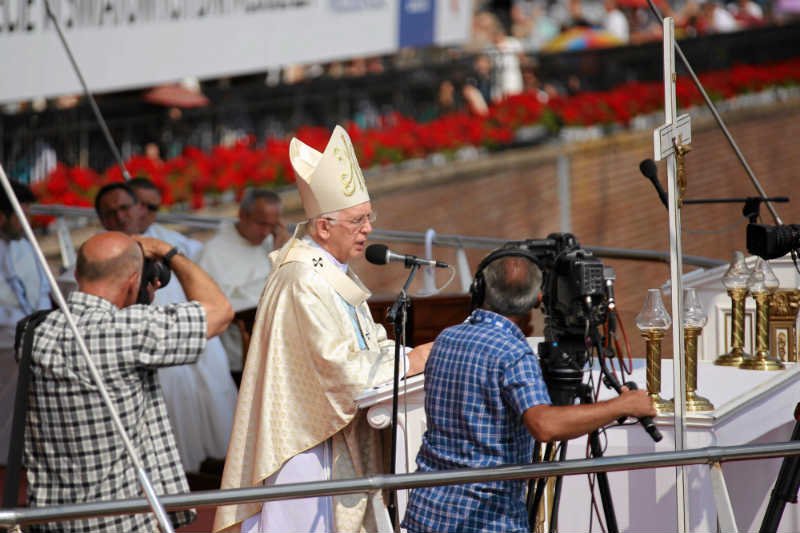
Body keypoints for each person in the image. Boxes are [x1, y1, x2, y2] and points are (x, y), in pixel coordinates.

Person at [213, 125, 431, 533]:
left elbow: (361, 345)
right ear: (324, 227)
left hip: (330, 435)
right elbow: (336, 369)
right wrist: (412, 359)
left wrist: (398, 356)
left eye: (369, 217)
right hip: (309, 447)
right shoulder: (303, 279)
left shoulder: (328, 271)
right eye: (357, 220)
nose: (368, 228)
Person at [402, 254, 656, 532]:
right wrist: (621, 405)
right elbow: (544, 426)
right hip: (485, 520)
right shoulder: (513, 353)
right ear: (537, 298)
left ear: (481, 287)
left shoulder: (447, 338)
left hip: (426, 512)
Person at [22, 231, 233, 532]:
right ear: (134, 280)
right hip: (122, 518)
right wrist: (167, 251)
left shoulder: (35, 331)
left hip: (54, 516)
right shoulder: (128, 331)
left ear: (79, 272)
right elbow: (220, 312)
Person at [95, 181, 238, 473]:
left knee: (213, 380)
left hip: (193, 330)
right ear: (101, 220)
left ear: (139, 208)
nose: (120, 217)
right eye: (111, 213)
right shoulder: (99, 254)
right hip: (142, 342)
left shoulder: (176, 243)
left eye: (125, 208)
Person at [197, 188, 287, 381]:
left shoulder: (272, 244)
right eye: (261, 223)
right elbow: (218, 304)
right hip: (238, 357)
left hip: (279, 350)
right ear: (242, 215)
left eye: (272, 226)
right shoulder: (214, 252)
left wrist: (281, 253)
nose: (265, 232)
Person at [0, 180, 51, 465]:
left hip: (29, 338)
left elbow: (42, 291)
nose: (27, 223)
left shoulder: (26, 247)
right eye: (21, 217)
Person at [128, 177, 204, 259]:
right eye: (139, 205)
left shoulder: (165, 236)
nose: (144, 212)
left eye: (152, 207)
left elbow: (198, 250)